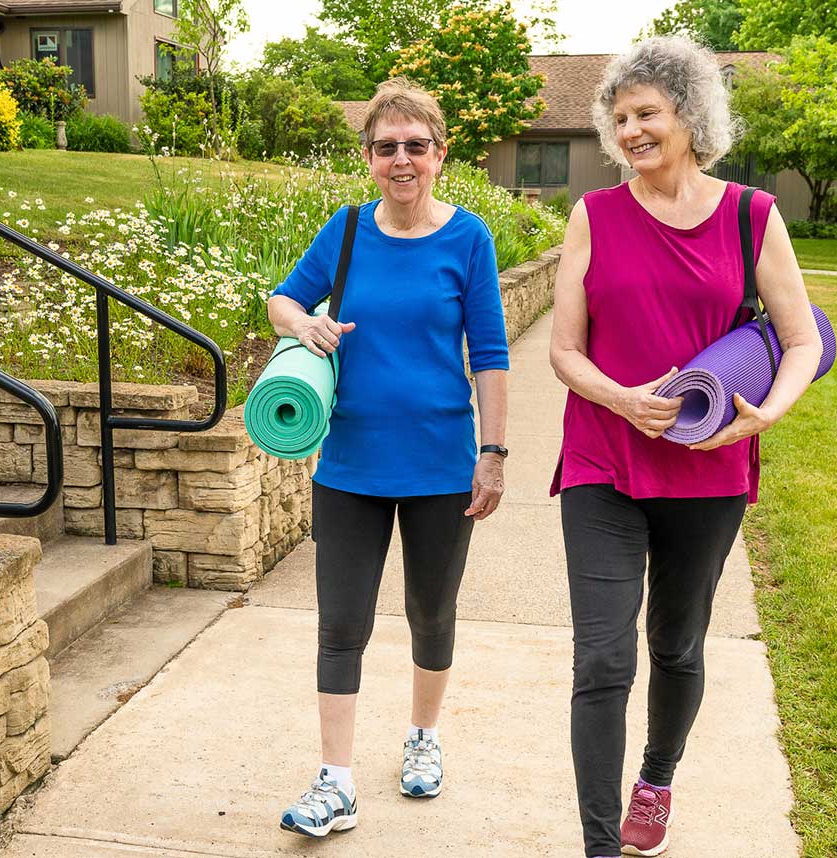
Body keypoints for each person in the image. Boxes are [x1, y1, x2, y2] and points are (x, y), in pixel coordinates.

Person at [548, 37, 825, 858]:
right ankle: (600, 844)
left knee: (676, 644)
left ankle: (657, 780)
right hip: (604, 457)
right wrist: (623, 400)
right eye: (619, 117)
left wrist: (765, 413)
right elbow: (564, 351)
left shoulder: (751, 215)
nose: (630, 131)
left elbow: (803, 340)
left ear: (690, 117)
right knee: (602, 658)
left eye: (647, 114)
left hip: (708, 471)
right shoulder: (594, 215)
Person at [264, 77, 510, 839]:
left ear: (441, 153)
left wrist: (493, 452)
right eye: (385, 147)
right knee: (341, 624)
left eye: (415, 146)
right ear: (367, 156)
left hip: (441, 462)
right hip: (351, 464)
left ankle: (423, 739)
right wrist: (302, 322)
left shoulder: (468, 238)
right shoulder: (343, 230)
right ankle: (335, 782)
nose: (401, 159)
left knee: (431, 612)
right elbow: (280, 298)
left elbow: (492, 355)